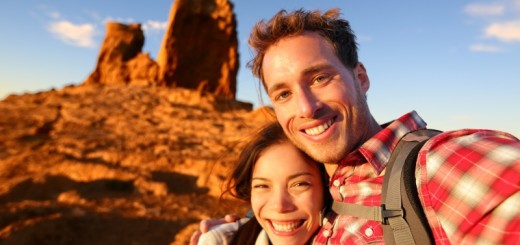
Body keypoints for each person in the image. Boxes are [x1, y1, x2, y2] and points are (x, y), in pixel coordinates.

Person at [192, 8, 520, 244]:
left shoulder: (437, 167)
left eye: (320, 78)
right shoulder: (325, 189)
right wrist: (245, 230)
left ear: (360, 77)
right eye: (284, 93)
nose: (306, 107)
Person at [197, 122, 333, 245]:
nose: (279, 206)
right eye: (262, 186)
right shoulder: (222, 241)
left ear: (327, 188)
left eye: (299, 184)